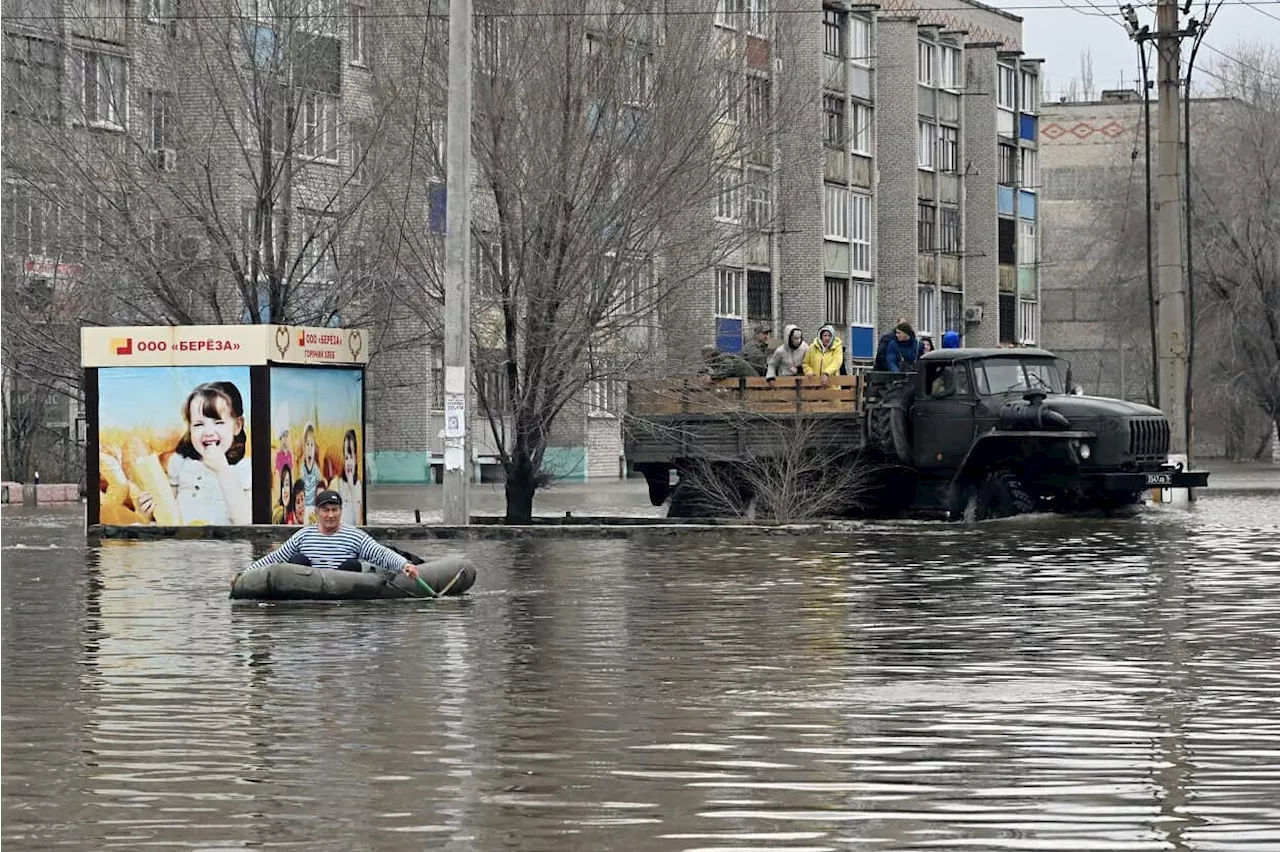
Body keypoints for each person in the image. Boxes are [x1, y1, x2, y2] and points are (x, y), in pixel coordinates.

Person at [138, 381, 252, 525]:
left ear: (237, 426)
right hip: (182, 542)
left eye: (218, 423)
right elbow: (167, 514)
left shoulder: (243, 469)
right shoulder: (181, 463)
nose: (208, 432)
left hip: (223, 545)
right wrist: (150, 511)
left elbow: (246, 522)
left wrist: (223, 471)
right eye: (198, 425)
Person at [240, 489, 420, 578]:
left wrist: (404, 565)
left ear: (341, 511)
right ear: (317, 512)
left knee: (352, 565)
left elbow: (380, 553)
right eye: (325, 510)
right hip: (307, 588)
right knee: (296, 560)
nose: (331, 515)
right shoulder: (303, 536)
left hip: (343, 587)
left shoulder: (354, 536)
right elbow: (275, 558)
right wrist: (245, 575)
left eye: (335, 509)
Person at [336, 429, 363, 525]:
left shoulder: (358, 486)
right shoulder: (339, 484)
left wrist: (351, 486)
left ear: (356, 459)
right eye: (346, 458)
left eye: (351, 457)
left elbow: (358, 521)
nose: (349, 463)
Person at [297, 421, 321, 521]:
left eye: (312, 445)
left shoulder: (316, 469)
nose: (310, 448)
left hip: (314, 508)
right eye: (307, 444)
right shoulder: (302, 468)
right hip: (304, 508)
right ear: (304, 447)